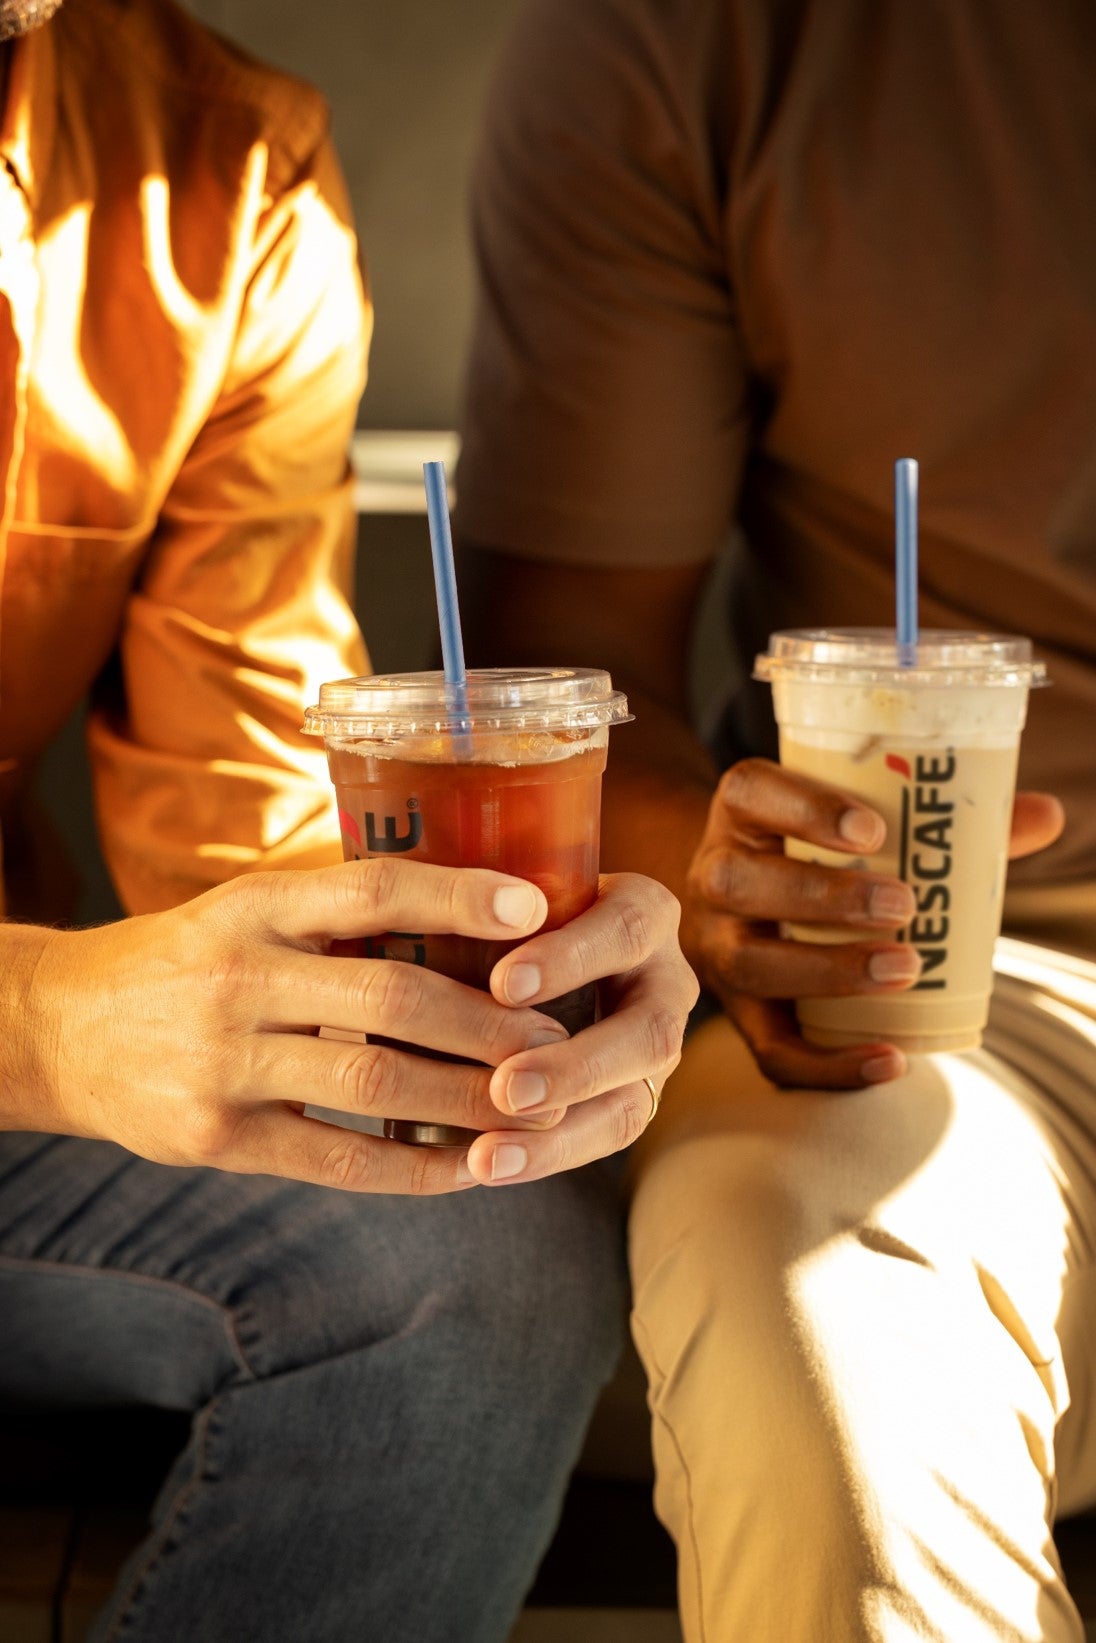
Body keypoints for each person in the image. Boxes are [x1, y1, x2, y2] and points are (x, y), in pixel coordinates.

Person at [0, 2, 698, 1639]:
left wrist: (443, 1001)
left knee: (483, 1264)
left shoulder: (223, 177)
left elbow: (238, 839)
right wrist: (37, 1023)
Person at [453, 0, 1096, 1638]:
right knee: (796, 1291)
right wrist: (742, 886)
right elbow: (580, 693)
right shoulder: (698, 41)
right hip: (971, 985)